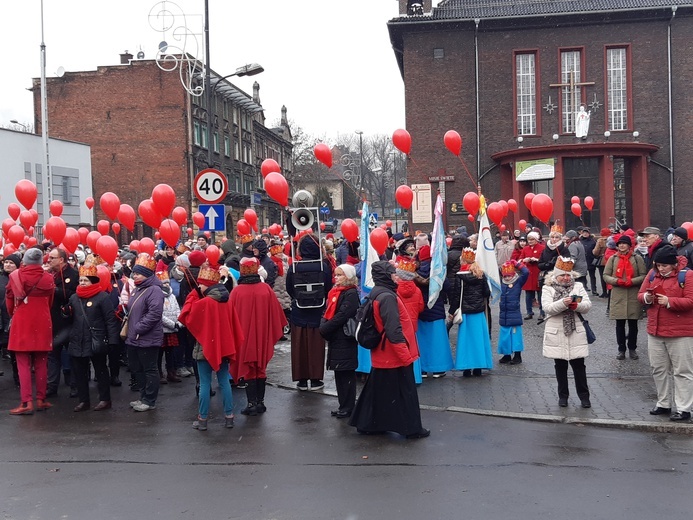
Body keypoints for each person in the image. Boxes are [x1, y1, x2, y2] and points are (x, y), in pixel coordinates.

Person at [348, 261, 429, 439]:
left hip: (382, 353)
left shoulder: (377, 293)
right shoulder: (387, 297)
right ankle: (412, 429)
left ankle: (369, 424)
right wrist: (405, 355)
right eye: (392, 273)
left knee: (377, 392)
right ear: (386, 276)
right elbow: (393, 330)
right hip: (393, 352)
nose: (396, 276)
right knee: (406, 394)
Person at [179, 265, 244, 430]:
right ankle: (229, 417)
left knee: (205, 384)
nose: (198, 287)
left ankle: (202, 420)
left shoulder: (204, 303)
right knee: (224, 382)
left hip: (205, 348)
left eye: (200, 284)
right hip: (224, 348)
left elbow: (186, 315)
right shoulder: (227, 300)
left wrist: (194, 294)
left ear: (207, 285)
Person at [638, 244, 693, 421]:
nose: (661, 269)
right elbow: (640, 294)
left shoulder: (688, 275)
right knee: (658, 369)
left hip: (681, 332)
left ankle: (684, 408)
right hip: (655, 330)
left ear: (674, 264)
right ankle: (663, 403)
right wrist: (646, 297)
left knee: (682, 371)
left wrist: (669, 301)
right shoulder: (653, 274)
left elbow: (690, 301)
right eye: (658, 265)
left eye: (664, 266)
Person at [229, 257, 286, 416]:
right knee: (260, 368)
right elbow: (277, 315)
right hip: (263, 336)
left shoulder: (237, 292)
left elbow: (231, 317)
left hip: (244, 336)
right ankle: (260, 402)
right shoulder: (265, 289)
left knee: (248, 369)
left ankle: (251, 403)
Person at [6, 248, 56, 415]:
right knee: (42, 362)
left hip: (22, 320)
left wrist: (14, 314)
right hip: (43, 320)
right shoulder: (48, 277)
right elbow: (50, 301)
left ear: (24, 261)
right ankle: (41, 399)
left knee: (23, 363)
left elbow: (9, 300)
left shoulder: (16, 276)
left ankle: (26, 402)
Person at [66, 264, 121, 412]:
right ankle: (84, 400)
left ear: (93, 281)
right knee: (80, 372)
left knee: (100, 370)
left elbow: (110, 320)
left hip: (96, 339)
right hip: (78, 339)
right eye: (81, 280)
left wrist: (113, 340)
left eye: (86, 280)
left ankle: (105, 399)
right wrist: (65, 313)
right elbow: (70, 320)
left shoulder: (102, 297)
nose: (82, 283)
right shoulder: (74, 297)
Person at [541, 256, 593, 408]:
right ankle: (563, 397)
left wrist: (576, 306)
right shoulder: (547, 288)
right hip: (556, 331)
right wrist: (563, 303)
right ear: (556, 276)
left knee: (579, 366)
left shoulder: (578, 286)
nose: (565, 277)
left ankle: (584, 397)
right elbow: (548, 308)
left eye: (567, 275)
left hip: (576, 330)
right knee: (560, 366)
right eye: (562, 275)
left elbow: (588, 305)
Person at [286, 233, 333, 391]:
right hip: (317, 311)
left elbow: (289, 288)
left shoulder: (294, 267)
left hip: (298, 311)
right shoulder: (323, 267)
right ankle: (315, 380)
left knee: (299, 347)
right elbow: (328, 288)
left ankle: (301, 380)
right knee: (315, 347)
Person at [319, 264, 360, 418]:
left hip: (344, 337)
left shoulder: (350, 293)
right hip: (336, 337)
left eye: (340, 275)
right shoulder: (334, 292)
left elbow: (342, 315)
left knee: (346, 374)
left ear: (348, 276)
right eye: (336, 275)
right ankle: (343, 405)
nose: (336, 278)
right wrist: (324, 323)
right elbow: (328, 310)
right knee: (339, 373)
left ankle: (348, 406)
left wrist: (325, 327)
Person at [125, 253, 165, 412]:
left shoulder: (154, 290)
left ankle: (149, 400)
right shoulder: (138, 288)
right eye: (134, 272)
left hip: (147, 337)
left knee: (149, 369)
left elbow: (154, 313)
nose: (134, 275)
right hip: (134, 337)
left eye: (138, 272)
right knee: (137, 368)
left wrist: (139, 328)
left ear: (147, 274)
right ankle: (143, 396)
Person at [448, 248, 493, 377]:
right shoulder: (480, 274)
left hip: (466, 312)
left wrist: (451, 311)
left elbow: (456, 296)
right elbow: (486, 293)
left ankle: (466, 367)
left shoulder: (460, 276)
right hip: (478, 312)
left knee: (466, 341)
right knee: (479, 339)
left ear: (463, 260)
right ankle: (478, 367)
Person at [602, 235, 647, 360]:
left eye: (624, 243)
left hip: (633, 294)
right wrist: (616, 281)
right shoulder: (613, 258)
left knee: (633, 325)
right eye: (620, 243)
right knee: (619, 324)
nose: (621, 245)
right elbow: (605, 275)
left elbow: (644, 276)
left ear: (629, 245)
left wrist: (632, 281)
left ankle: (632, 348)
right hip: (618, 295)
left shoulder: (637, 259)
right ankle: (621, 349)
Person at [415, 246, 453, 377]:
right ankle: (438, 369)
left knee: (422, 341)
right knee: (437, 341)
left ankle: (423, 369)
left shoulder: (415, 271)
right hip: (436, 309)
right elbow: (447, 287)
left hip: (420, 311)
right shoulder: (437, 270)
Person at [46, 247, 79, 397]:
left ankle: (75, 386)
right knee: (52, 356)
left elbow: (76, 295)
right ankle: (51, 386)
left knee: (71, 355)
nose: (49, 260)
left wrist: (56, 291)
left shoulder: (73, 275)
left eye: (52, 258)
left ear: (61, 259)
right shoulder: (48, 274)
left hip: (68, 321)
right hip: (52, 322)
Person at [498, 260, 530, 365]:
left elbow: (526, 272)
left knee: (516, 336)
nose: (507, 278)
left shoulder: (518, 282)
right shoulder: (502, 283)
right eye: (505, 276)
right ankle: (506, 355)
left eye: (509, 276)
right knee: (505, 336)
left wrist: (517, 264)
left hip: (514, 314)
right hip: (504, 314)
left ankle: (517, 356)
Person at [537, 230, 569, 324]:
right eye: (552, 237)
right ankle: (543, 311)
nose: (554, 239)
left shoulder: (564, 249)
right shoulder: (545, 249)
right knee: (544, 294)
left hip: (559, 276)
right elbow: (539, 264)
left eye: (557, 237)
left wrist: (558, 263)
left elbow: (568, 263)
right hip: (547, 276)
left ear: (560, 238)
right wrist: (548, 264)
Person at [1, 254, 21, 385]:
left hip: (15, 317)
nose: (7, 265)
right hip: (1, 319)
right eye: (6, 262)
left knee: (15, 351)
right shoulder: (1, 279)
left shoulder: (20, 278)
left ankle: (17, 376)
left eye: (11, 263)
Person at [519, 231, 545, 320]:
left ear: (536, 239)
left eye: (532, 239)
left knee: (540, 294)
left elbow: (544, 259)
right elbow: (520, 259)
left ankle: (542, 312)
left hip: (538, 273)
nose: (530, 241)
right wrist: (524, 260)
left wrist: (536, 260)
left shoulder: (542, 248)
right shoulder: (525, 249)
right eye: (528, 240)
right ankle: (529, 312)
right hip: (528, 274)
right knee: (528, 294)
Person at [592, 228, 611, 298]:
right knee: (610, 276)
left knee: (603, 277)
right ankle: (610, 292)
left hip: (602, 261)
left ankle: (604, 292)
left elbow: (596, 251)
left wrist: (594, 252)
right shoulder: (612, 239)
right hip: (611, 260)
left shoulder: (600, 241)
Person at [579, 227, 599, 294]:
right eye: (584, 232)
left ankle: (594, 289)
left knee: (592, 276)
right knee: (583, 275)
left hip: (591, 260)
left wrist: (595, 258)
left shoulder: (593, 241)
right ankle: (584, 287)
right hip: (582, 261)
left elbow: (596, 250)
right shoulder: (580, 241)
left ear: (589, 233)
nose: (585, 234)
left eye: (586, 232)